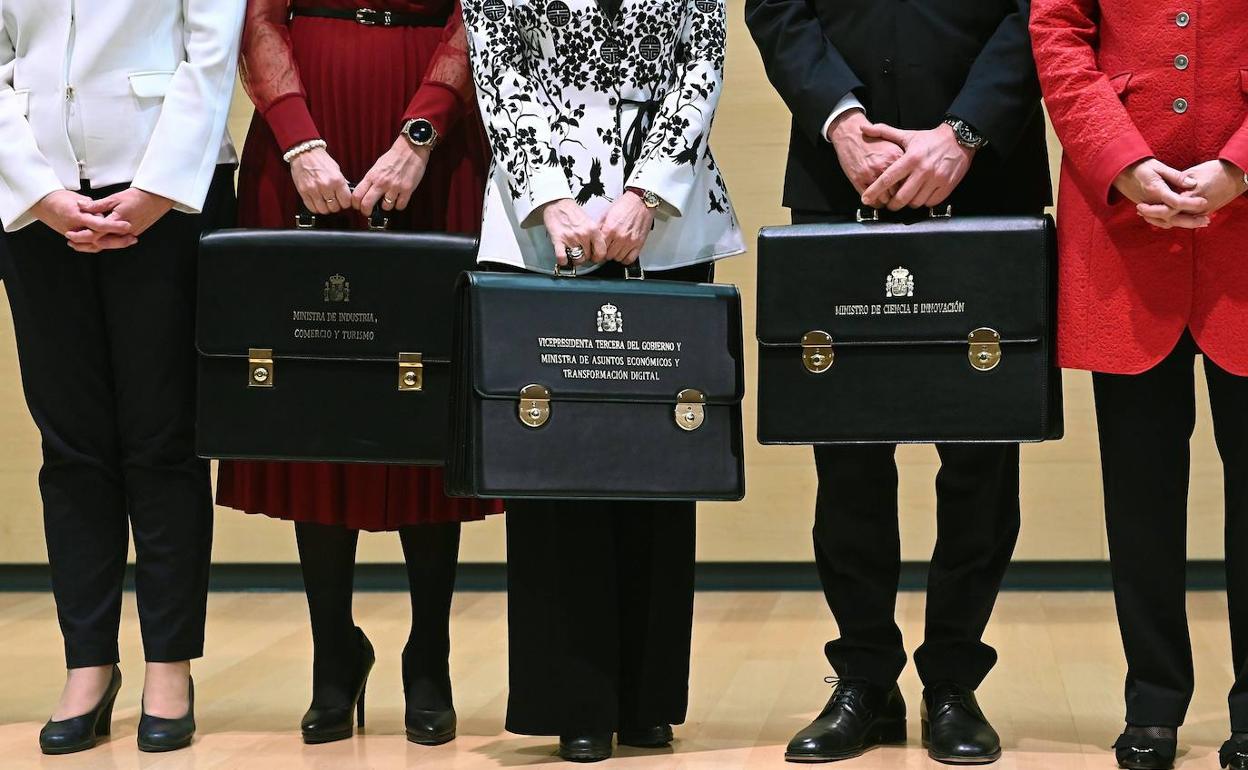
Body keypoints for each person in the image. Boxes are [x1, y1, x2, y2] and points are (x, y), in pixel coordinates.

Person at [745, 0, 1050, 764]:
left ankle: (953, 678)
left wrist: (965, 133)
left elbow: (1038, 11)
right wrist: (840, 121)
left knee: (981, 457)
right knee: (846, 452)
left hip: (988, 175)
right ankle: (863, 678)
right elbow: (778, 8)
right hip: (838, 170)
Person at [463, 0, 743, 761]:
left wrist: (644, 195)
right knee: (556, 462)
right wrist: (553, 199)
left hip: (669, 221)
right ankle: (573, 698)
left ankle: (648, 698)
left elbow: (699, 65)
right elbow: (501, 69)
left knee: (661, 455)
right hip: (537, 225)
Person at [215, 0, 499, 747]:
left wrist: (423, 131)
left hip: (432, 139)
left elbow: (480, 13)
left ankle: (428, 653)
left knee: (428, 394)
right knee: (316, 389)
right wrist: (297, 139)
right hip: (306, 126)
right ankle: (332, 652)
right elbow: (259, 16)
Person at [0, 0, 243, 755]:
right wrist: (34, 190)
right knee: (70, 446)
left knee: (163, 441)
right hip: (37, 203)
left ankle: (169, 666)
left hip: (164, 195)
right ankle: (88, 665)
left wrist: (156, 190)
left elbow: (210, 57)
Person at [1031, 3, 1248, 769]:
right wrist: (1117, 159)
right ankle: (1152, 702)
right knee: (1139, 489)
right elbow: (1058, 31)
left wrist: (1240, 164)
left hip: (1246, 218)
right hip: (1126, 217)